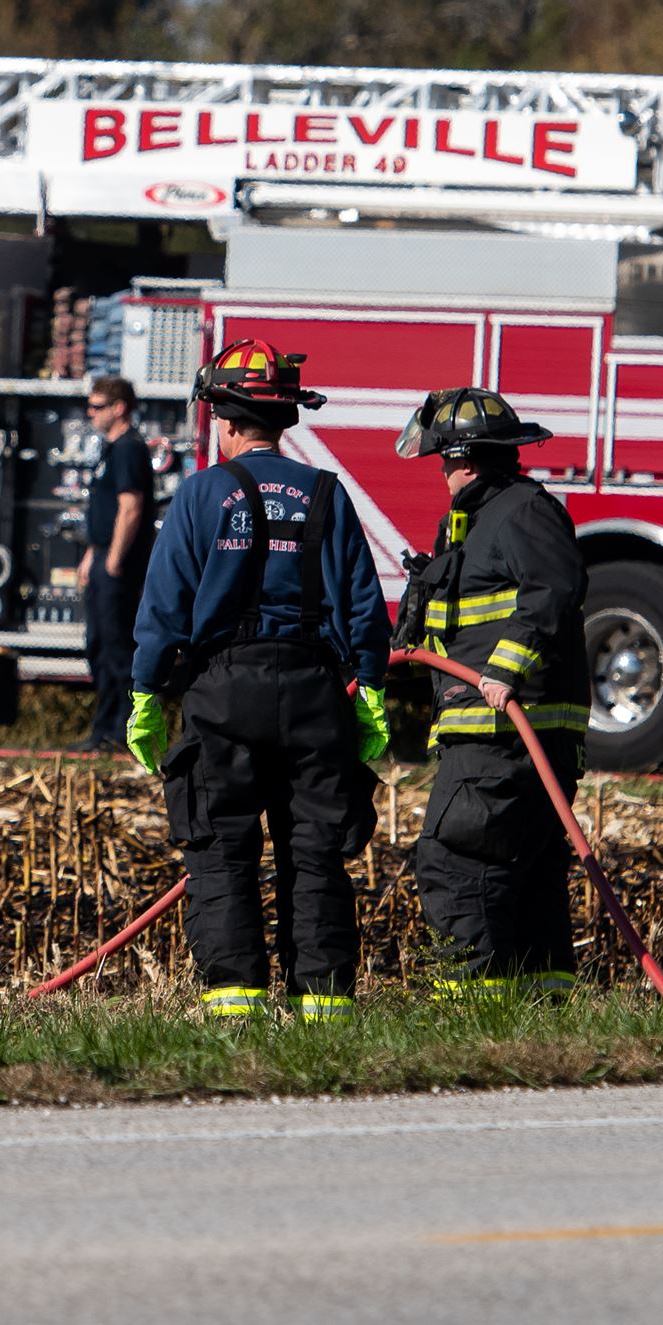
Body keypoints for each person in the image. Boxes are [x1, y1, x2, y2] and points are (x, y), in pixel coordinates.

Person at [128, 340, 392, 1021]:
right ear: (282, 417)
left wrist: (146, 696)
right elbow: (364, 607)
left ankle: (234, 1005)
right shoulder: (326, 494)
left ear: (225, 417)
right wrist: (372, 695)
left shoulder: (201, 494)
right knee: (315, 853)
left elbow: (163, 608)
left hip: (221, 691)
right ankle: (324, 1007)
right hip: (312, 692)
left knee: (221, 849)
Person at [393, 387, 589, 997]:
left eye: (444, 460)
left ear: (469, 458)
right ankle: (541, 1005)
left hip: (501, 733)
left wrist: (503, 670)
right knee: (523, 871)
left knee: (457, 861)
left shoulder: (521, 511)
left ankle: (470, 1008)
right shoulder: (476, 522)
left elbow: (554, 589)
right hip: (496, 735)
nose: (441, 472)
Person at [74, 374, 156, 754]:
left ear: (119, 408)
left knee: (118, 647)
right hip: (104, 555)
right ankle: (103, 728)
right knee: (99, 646)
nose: (90, 413)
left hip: (118, 563)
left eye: (97, 406)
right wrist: (93, 555)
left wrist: (115, 561)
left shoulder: (129, 448)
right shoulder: (110, 449)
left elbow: (130, 507)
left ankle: (121, 731)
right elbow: (104, 513)